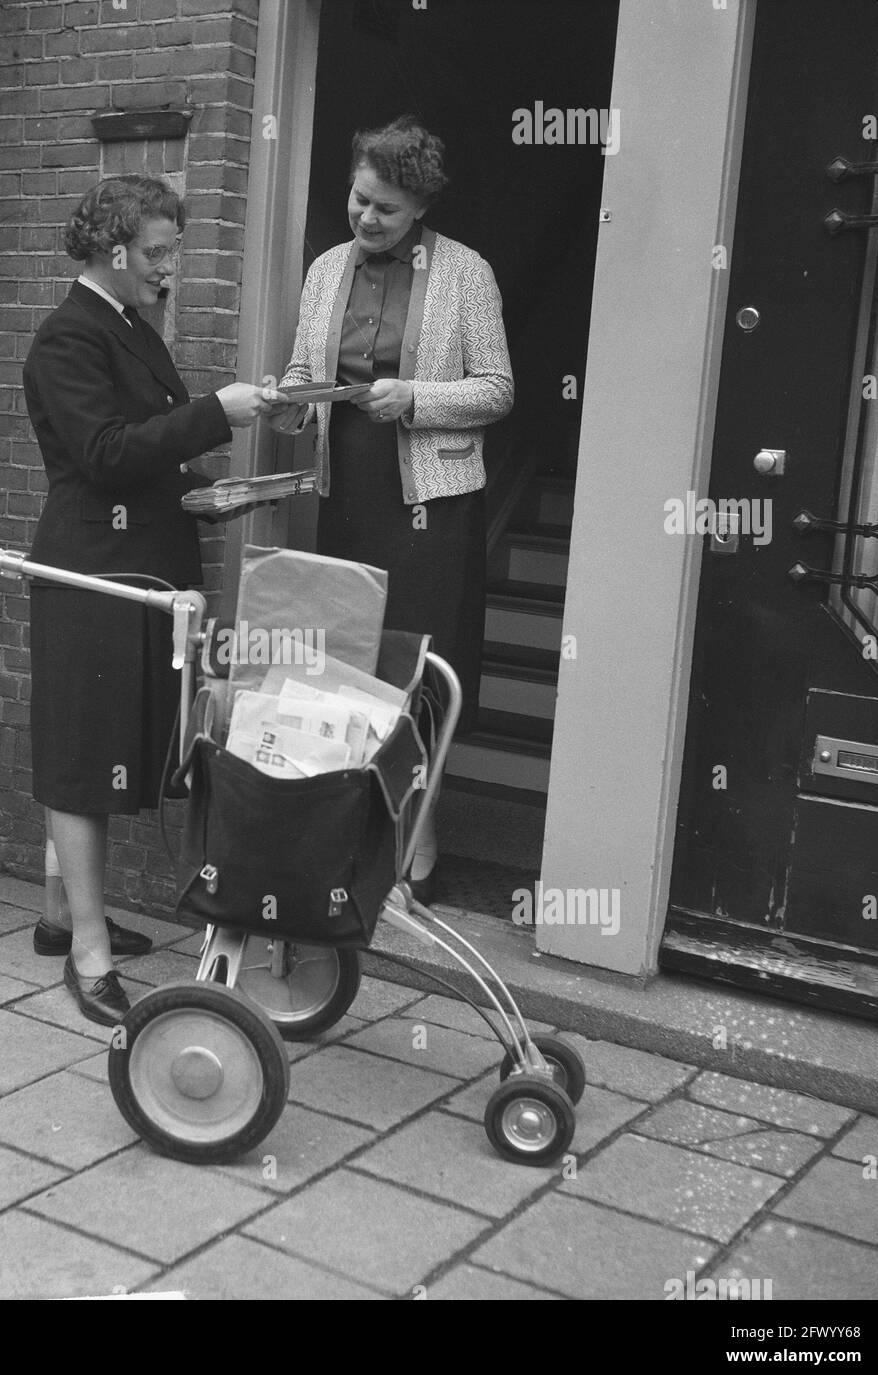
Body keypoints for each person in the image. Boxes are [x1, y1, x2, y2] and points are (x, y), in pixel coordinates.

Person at [23, 174, 283, 1024]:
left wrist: (207, 491)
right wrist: (216, 411)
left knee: (103, 742)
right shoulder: (68, 337)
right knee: (80, 751)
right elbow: (101, 454)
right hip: (92, 573)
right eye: (160, 252)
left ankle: (63, 916)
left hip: (137, 569)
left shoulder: (129, 324)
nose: (170, 268)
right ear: (114, 250)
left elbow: (144, 455)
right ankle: (90, 956)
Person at [268, 115, 514, 904]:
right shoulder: (325, 270)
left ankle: (419, 834)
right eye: (359, 198)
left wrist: (412, 397)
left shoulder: (466, 273)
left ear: (419, 211)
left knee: (421, 673)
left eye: (385, 210)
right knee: (351, 665)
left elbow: (497, 391)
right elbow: (306, 372)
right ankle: (354, 828)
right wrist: (288, 401)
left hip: (431, 508)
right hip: (350, 497)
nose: (365, 218)